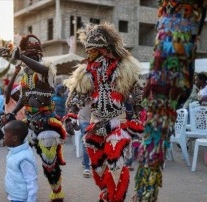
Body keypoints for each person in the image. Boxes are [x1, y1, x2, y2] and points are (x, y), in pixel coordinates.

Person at [64, 23, 143, 202]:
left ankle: (116, 198)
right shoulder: (86, 72)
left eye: (91, 50)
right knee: (98, 168)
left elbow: (138, 96)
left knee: (115, 163)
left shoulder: (124, 68)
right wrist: (71, 116)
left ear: (103, 50)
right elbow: (76, 97)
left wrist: (137, 117)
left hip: (118, 123)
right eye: (87, 50)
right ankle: (107, 193)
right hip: (95, 124)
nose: (88, 54)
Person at [4, 34, 66, 201]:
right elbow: (24, 98)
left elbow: (43, 70)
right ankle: (21, 187)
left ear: (39, 56)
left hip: (46, 123)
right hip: (29, 121)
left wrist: (21, 56)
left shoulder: (47, 69)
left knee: (49, 162)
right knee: (20, 155)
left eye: (32, 56)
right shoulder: (26, 75)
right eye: (26, 56)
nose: (27, 60)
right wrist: (12, 112)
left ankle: (57, 191)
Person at [3, 120, 38, 202]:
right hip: (14, 193)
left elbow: (31, 180)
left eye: (5, 135)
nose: (3, 137)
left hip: (21, 197)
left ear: (14, 138)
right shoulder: (13, 151)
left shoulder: (24, 158)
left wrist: (31, 199)